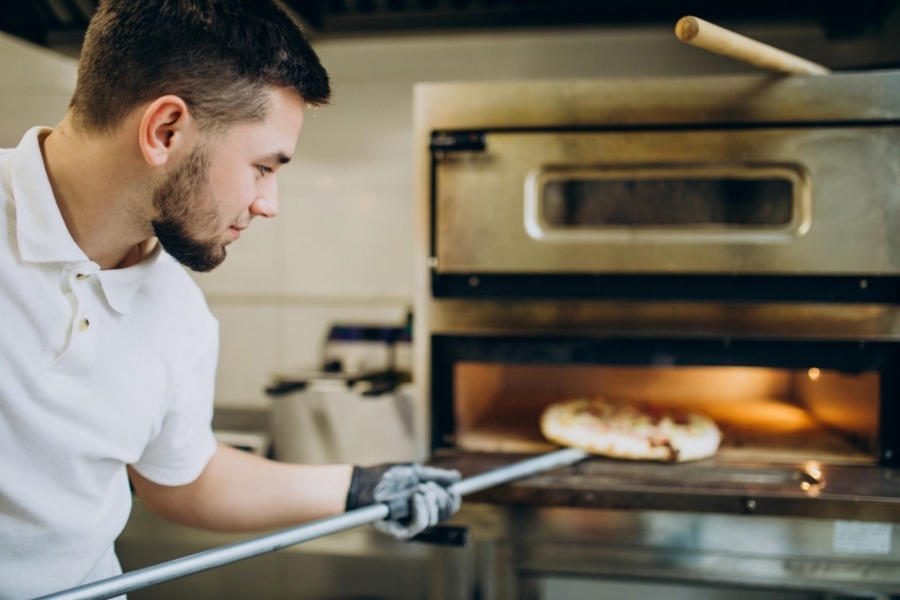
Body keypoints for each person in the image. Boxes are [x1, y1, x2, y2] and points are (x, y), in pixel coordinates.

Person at [0, 1, 461, 597]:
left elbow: (183, 477)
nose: (270, 203)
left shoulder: (178, 310)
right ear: (165, 131)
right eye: (263, 167)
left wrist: (362, 488)